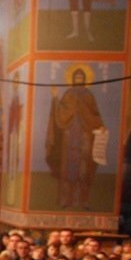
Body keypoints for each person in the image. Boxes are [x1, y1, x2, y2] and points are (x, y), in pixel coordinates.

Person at [46, 67, 106, 210]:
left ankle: (83, 201)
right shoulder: (69, 94)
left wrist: (100, 125)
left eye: (81, 78)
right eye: (77, 78)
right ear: (73, 80)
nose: (79, 80)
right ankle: (66, 200)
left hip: (85, 137)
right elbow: (61, 112)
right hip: (70, 137)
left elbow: (94, 114)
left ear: (84, 80)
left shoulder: (88, 95)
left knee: (84, 170)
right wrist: (55, 98)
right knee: (68, 170)